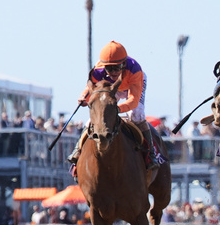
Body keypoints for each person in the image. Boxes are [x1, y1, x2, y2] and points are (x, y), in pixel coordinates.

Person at [68, 41, 165, 173]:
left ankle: (151, 154)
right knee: (95, 119)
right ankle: (77, 150)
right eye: (109, 68)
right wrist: (84, 97)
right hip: (112, 88)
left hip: (132, 86)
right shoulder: (98, 70)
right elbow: (90, 88)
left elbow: (133, 100)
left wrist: (117, 109)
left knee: (136, 115)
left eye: (117, 67)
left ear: (124, 64)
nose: (113, 72)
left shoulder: (135, 70)